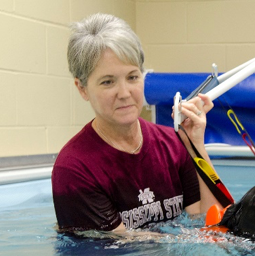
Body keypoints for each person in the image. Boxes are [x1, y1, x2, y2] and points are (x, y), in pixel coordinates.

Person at [52, 13, 225, 233]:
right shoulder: (75, 169)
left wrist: (196, 145)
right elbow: (123, 251)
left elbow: (210, 220)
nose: (124, 93)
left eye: (132, 77)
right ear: (82, 88)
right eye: (108, 82)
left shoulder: (173, 143)